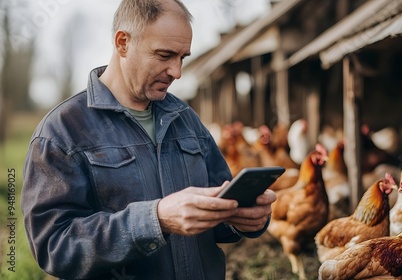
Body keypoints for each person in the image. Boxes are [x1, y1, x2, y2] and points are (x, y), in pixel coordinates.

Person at [21, 0, 276, 279]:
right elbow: (54, 248)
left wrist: (245, 218)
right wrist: (155, 219)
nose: (177, 72)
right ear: (122, 43)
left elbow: (219, 213)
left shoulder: (185, 118)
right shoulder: (62, 131)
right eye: (164, 55)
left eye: (182, 57)